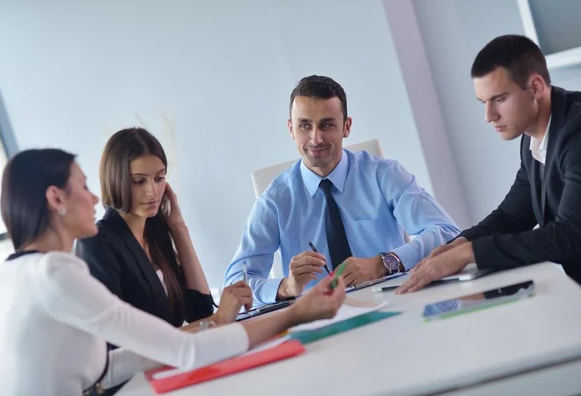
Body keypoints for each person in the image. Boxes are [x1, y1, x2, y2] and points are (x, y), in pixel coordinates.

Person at [0, 148, 345, 395]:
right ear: (56, 198)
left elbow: (104, 367)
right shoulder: (55, 271)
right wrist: (295, 313)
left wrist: (209, 326)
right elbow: (185, 352)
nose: (94, 199)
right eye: (84, 187)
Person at [224, 75, 460, 305]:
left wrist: (385, 263)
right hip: (320, 325)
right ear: (291, 129)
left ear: (346, 127)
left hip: (395, 306)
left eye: (326, 124)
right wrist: (286, 286)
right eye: (305, 125)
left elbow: (448, 232)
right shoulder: (275, 200)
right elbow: (235, 286)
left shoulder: (384, 175)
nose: (315, 138)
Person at [398, 35, 581, 294]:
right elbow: (512, 216)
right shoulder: (534, 139)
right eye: (483, 102)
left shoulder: (577, 131)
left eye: (500, 99)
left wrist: (470, 254)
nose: (489, 116)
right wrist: (459, 244)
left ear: (537, 87)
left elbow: (571, 236)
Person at [77, 128, 239, 330]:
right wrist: (218, 319)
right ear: (115, 180)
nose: (152, 191)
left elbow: (200, 312)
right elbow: (119, 341)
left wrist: (179, 229)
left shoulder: (155, 234)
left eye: (159, 178)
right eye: (138, 181)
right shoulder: (98, 241)